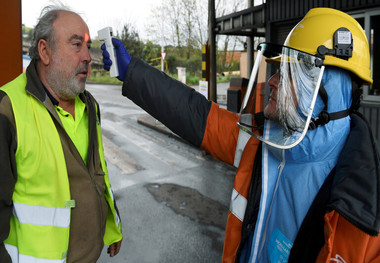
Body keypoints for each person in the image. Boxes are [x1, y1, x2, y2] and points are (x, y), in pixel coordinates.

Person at [102, 7, 380, 263]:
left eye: (287, 74)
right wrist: (132, 74)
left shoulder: (367, 212)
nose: (271, 81)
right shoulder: (262, 141)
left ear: (325, 91)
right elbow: (194, 114)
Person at [0, 5, 122, 263]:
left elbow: (98, 174)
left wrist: (112, 225)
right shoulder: (7, 108)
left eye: (88, 46)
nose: (88, 57)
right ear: (45, 51)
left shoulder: (89, 104)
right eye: (77, 45)